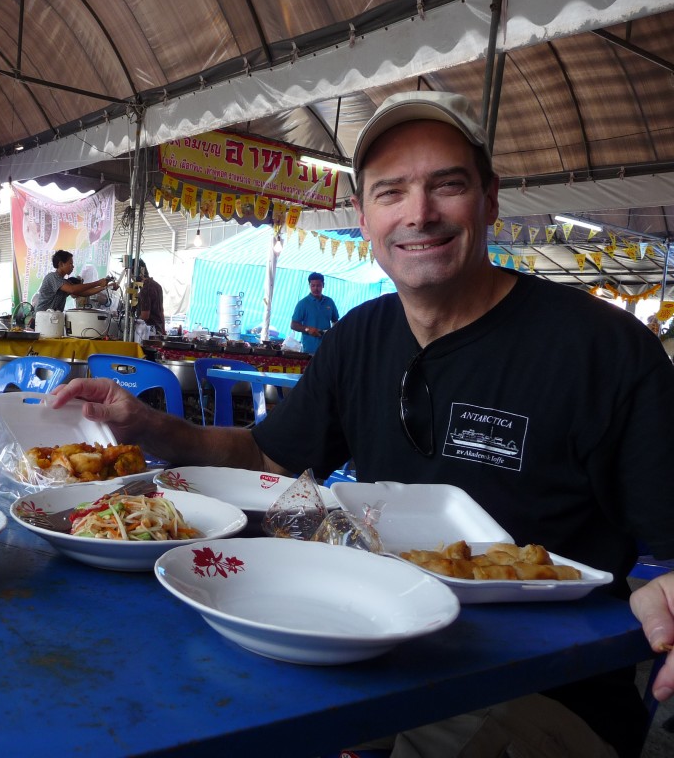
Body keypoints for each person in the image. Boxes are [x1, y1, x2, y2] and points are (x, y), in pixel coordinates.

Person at [53, 91, 674, 757]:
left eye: (447, 185)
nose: (419, 213)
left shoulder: (600, 349)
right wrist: (149, 425)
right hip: (369, 647)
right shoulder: (361, 336)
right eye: (391, 192)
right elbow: (266, 459)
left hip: (540, 687)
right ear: (364, 216)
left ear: (490, 200)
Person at [33, 250, 114, 312]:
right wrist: (98, 283)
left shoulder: (65, 282)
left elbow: (84, 293)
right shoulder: (52, 277)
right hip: (42, 319)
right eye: (70, 263)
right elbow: (72, 289)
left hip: (53, 320)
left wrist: (106, 287)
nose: (73, 266)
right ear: (61, 264)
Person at [290, 271, 339, 354]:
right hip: (309, 350)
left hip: (327, 348)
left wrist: (333, 334)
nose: (316, 288)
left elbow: (335, 321)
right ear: (309, 286)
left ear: (323, 285)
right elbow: (293, 325)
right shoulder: (303, 303)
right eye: (313, 285)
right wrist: (307, 329)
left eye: (318, 285)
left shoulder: (329, 302)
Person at [135, 259, 165, 333]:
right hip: (158, 329)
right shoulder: (157, 285)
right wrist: (163, 330)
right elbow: (161, 311)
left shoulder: (145, 289)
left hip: (149, 332)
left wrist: (133, 322)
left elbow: (145, 316)